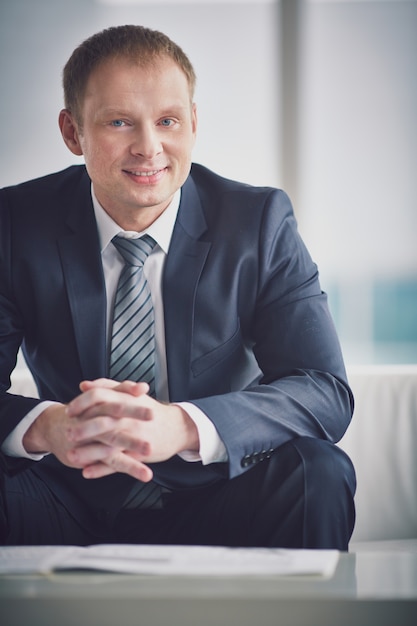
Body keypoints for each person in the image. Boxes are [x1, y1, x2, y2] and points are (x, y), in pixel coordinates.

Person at [0, 24, 355, 549]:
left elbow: (323, 389)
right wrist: (49, 427)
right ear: (73, 132)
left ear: (193, 122)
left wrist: (183, 427)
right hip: (64, 494)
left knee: (316, 471)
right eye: (119, 121)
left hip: (216, 493)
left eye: (167, 120)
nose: (149, 148)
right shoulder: (14, 223)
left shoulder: (257, 221)